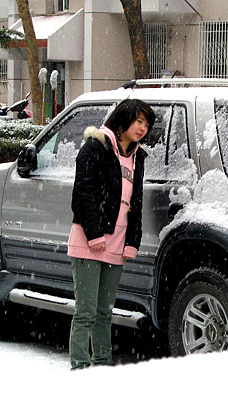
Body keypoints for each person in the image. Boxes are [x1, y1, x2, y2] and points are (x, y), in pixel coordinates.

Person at [67, 99, 155, 369]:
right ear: (123, 120)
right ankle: (80, 365)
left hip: (117, 242)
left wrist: (132, 241)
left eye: (146, 124)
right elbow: (83, 193)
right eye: (138, 121)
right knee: (86, 311)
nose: (142, 128)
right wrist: (94, 234)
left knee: (105, 311)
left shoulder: (138, 157)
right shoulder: (96, 147)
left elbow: (136, 202)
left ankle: (102, 364)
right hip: (89, 240)